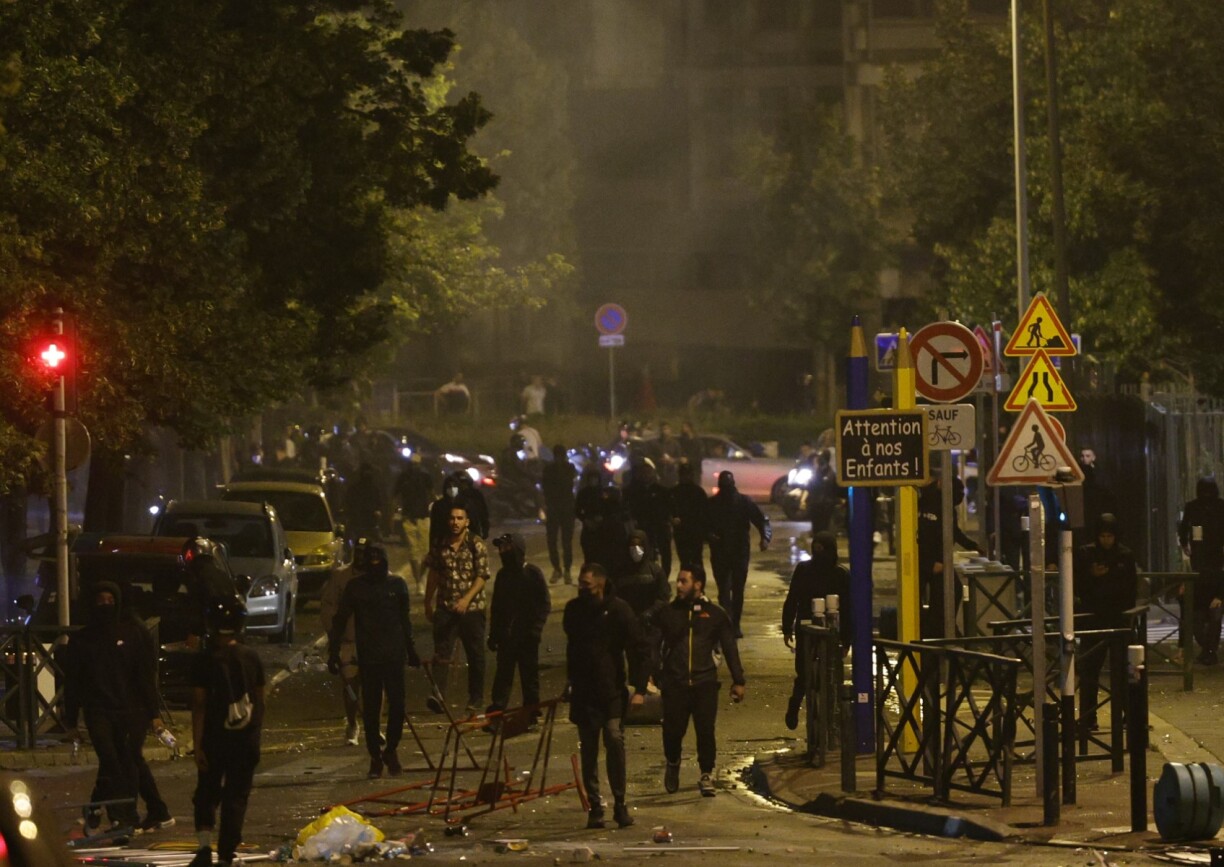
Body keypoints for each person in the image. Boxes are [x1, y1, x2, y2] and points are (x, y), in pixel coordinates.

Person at [64, 582, 170, 833]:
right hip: (98, 709)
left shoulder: (132, 634)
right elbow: (73, 682)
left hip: (132, 710)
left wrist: (154, 714)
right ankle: (127, 814)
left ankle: (122, 815)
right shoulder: (82, 640)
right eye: (100, 600)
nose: (105, 605)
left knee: (127, 760)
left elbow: (144, 676)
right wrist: (70, 720)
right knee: (113, 760)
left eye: (109, 600)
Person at [563, 563, 649, 830]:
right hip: (584, 693)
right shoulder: (574, 611)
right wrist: (570, 682)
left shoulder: (619, 611)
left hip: (610, 690)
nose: (581, 587)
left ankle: (620, 804)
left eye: (586, 583)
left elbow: (638, 647)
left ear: (599, 584)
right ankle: (596, 807)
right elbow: (573, 648)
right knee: (588, 750)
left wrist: (640, 688)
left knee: (614, 738)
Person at [328, 543, 421, 777]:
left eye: (379, 556)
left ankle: (390, 749)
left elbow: (404, 619)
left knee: (397, 706)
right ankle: (375, 757)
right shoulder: (356, 588)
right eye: (371, 557)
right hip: (369, 657)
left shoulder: (397, 585)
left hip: (393, 655)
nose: (374, 560)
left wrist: (411, 650)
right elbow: (340, 619)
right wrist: (334, 650)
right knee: (371, 710)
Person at [655, 564, 745, 797]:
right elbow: (652, 648)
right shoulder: (668, 613)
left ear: (698, 584)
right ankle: (673, 762)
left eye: (683, 581)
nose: (678, 585)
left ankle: (706, 773)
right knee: (673, 731)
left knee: (705, 730)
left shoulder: (715, 615)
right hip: (675, 684)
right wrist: (649, 678)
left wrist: (738, 680)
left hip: (704, 683)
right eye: (678, 580)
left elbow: (729, 648)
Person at [187, 596, 264, 867]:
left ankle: (205, 847)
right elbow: (259, 698)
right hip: (245, 739)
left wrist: (197, 745)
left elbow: (199, 704)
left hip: (214, 737)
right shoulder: (251, 657)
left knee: (207, 791)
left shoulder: (204, 660)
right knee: (236, 795)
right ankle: (227, 853)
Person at [780, 532, 851, 731]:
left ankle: (829, 720)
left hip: (832, 632)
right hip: (807, 631)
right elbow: (792, 599)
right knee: (804, 673)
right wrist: (787, 628)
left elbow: (847, 609)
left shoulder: (840, 575)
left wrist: (846, 640)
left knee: (831, 675)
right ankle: (796, 705)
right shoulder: (804, 570)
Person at [1075, 513, 1139, 731]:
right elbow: (1078, 586)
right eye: (1102, 536)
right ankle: (1088, 717)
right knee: (1089, 671)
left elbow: (1131, 588)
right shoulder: (1087, 554)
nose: (1106, 540)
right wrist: (1092, 575)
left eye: (1109, 536)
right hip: (1093, 619)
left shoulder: (1125, 555)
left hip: (1118, 619)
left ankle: (1128, 715)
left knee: (1124, 671)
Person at [424, 505, 490, 714]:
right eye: (452, 518)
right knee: (441, 652)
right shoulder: (439, 544)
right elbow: (434, 573)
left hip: (472, 609)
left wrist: (466, 600)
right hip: (445, 606)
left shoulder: (476, 544)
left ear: (467, 521)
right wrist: (427, 601)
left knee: (475, 654)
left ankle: (476, 698)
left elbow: (482, 576)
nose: (455, 522)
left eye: (460, 518)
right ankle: (438, 695)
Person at [487, 534, 551, 718]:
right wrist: (494, 634)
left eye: (507, 547)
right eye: (501, 548)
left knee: (529, 676)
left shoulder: (532, 573)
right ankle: (497, 712)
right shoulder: (502, 575)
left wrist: (536, 629)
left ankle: (531, 712)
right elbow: (497, 606)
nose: (503, 552)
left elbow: (544, 604)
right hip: (507, 636)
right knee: (503, 677)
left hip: (527, 636)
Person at [706, 471, 771, 636]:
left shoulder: (742, 502)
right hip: (725, 551)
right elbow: (702, 524)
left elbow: (761, 520)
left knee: (734, 589)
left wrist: (766, 537)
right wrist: (709, 535)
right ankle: (729, 623)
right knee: (727, 590)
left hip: (736, 551)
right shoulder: (717, 503)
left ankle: (732, 623)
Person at [917, 475, 982, 639]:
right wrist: (934, 561)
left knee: (949, 593)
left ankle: (940, 629)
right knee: (944, 593)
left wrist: (972, 545)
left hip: (937, 560)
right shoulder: (928, 502)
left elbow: (951, 531)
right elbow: (931, 534)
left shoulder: (937, 502)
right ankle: (934, 631)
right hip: (928, 559)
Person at [613, 529, 670, 683]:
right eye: (632, 546)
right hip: (631, 624)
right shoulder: (620, 571)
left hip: (652, 624)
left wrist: (650, 613)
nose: (636, 550)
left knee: (652, 658)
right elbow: (614, 597)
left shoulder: (655, 570)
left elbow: (664, 597)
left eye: (639, 546)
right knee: (634, 659)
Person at [1178, 478, 1224, 665]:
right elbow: (1183, 528)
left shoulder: (1197, 507)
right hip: (1208, 557)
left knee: (1211, 614)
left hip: (1209, 557)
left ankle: (1208, 650)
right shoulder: (1210, 506)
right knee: (1206, 615)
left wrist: (1185, 544)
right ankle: (1209, 649)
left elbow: (1183, 528)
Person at [319, 553, 361, 747]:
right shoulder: (340, 576)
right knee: (350, 686)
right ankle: (352, 723)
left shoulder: (383, 576)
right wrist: (334, 636)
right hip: (349, 640)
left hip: (373, 642)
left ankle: (374, 725)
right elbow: (329, 607)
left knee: (376, 686)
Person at [625, 459, 674, 577]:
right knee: (641, 552)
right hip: (643, 528)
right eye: (643, 473)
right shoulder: (634, 492)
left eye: (648, 472)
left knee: (665, 554)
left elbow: (669, 508)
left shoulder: (662, 491)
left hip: (660, 527)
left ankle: (663, 576)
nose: (646, 475)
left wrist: (668, 521)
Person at [392, 453, 435, 587]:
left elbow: (432, 494)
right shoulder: (406, 477)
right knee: (415, 552)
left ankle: (419, 579)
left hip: (420, 517)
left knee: (424, 552)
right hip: (411, 518)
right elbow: (395, 497)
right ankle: (418, 581)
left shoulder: (421, 477)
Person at [542, 444, 577, 584]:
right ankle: (557, 569)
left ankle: (566, 570)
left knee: (566, 542)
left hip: (566, 508)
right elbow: (545, 487)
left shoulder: (569, 468)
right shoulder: (550, 469)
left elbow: (568, 483)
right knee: (552, 541)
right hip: (555, 508)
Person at [429, 472, 489, 548]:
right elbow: (434, 529)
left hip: (464, 544)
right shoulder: (439, 506)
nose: (451, 489)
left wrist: (481, 536)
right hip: (444, 545)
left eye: (454, 486)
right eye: (449, 487)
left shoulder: (467, 503)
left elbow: (477, 521)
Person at [670, 463, 709, 570]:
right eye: (683, 474)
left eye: (687, 474)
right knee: (685, 560)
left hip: (695, 531)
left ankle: (697, 583)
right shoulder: (674, 492)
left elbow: (705, 512)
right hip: (681, 531)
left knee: (696, 560)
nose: (685, 477)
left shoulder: (698, 492)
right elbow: (668, 510)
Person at [344, 461, 388, 544]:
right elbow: (348, 504)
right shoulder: (355, 488)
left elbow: (380, 504)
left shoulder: (374, 489)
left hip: (369, 524)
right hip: (357, 524)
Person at [653, 422, 682, 488]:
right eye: (662, 429)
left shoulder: (675, 444)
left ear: (670, 430)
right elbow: (651, 457)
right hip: (658, 473)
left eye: (666, 429)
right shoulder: (655, 444)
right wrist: (659, 460)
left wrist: (673, 460)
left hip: (671, 474)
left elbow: (679, 457)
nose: (664, 431)